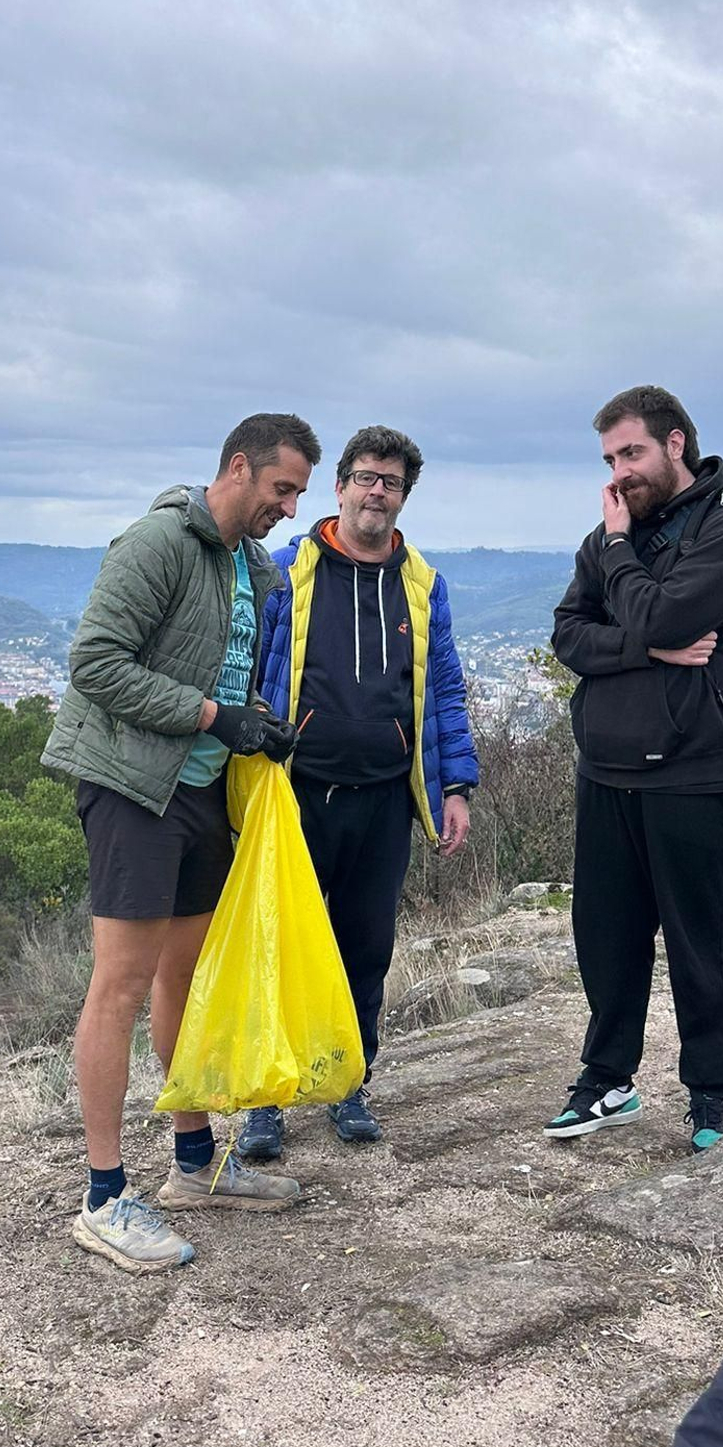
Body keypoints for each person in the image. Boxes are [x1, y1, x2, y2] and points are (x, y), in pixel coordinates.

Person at [41, 414, 319, 1274]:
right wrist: (210, 717)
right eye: (282, 488)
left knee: (187, 979)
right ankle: (101, 1195)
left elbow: (228, 674)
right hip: (132, 784)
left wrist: (255, 728)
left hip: (199, 789)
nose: (288, 506)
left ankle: (195, 1166)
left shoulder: (253, 565)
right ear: (238, 467)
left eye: (298, 493)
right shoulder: (159, 541)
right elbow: (96, 662)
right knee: (119, 983)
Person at [238, 426, 478, 1159]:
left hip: (383, 798)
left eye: (392, 482)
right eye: (367, 477)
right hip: (296, 791)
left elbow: (442, 688)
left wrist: (456, 786)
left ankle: (347, 1081)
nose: (378, 491)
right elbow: (247, 670)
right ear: (339, 485)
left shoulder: (423, 584)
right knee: (279, 945)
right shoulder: (285, 571)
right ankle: (266, 1101)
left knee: (364, 948)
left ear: (405, 496)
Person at [546, 385, 723, 1153]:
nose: (620, 473)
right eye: (610, 458)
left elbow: (668, 616)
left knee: (699, 940)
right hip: (607, 768)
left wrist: (628, 582)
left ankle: (711, 1093)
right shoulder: (614, 534)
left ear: (676, 444)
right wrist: (646, 644)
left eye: (632, 453)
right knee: (604, 935)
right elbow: (570, 636)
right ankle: (607, 1078)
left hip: (700, 771)